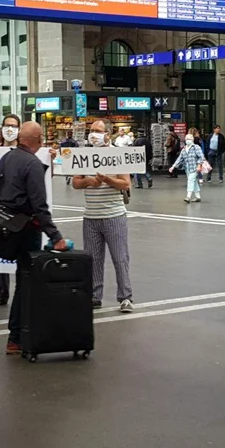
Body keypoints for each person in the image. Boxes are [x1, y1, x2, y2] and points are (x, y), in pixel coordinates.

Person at [0, 121, 68, 354]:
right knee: (26, 283)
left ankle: (18, 334)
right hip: (27, 229)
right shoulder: (33, 164)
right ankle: (16, 336)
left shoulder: (7, 158)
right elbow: (40, 206)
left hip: (8, 226)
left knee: (22, 279)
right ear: (37, 140)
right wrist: (55, 236)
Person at [72, 120, 134, 312]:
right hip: (90, 216)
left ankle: (125, 297)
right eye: (92, 131)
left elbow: (126, 184)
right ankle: (94, 295)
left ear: (108, 134)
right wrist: (89, 181)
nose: (93, 134)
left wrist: (107, 179)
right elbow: (76, 182)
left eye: (98, 131)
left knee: (120, 257)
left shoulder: (118, 154)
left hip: (114, 215)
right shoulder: (84, 156)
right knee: (93, 258)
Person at [0, 114, 21, 309]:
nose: (10, 129)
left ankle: (23, 292)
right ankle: (2, 292)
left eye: (14, 126)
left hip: (20, 209)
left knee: (21, 253)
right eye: (7, 126)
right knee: (0, 252)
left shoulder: (26, 151)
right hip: (0, 208)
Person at [169, 130, 206, 203]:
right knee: (194, 181)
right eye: (186, 139)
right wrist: (173, 167)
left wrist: (199, 165)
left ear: (192, 140)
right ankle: (198, 196)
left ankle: (188, 196)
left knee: (190, 180)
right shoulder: (184, 149)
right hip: (187, 169)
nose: (187, 140)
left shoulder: (196, 147)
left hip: (195, 168)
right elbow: (179, 159)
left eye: (189, 139)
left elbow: (201, 157)